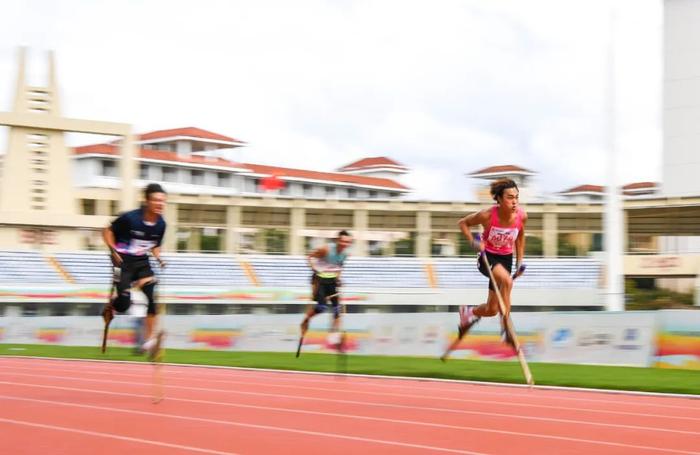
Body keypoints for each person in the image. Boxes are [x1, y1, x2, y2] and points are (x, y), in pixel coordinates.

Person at [442, 178, 527, 360]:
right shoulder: (487, 215)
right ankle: (506, 330)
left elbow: (520, 239)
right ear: (499, 199)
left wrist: (520, 262)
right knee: (507, 281)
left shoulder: (521, 216)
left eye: (517, 198)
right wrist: (473, 241)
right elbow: (463, 223)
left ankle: (469, 312)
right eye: (510, 198)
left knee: (491, 309)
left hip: (506, 259)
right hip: (487, 257)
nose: (514, 202)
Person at [102, 183, 167, 359]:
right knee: (124, 303)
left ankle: (149, 341)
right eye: (156, 200)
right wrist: (112, 250)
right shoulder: (130, 219)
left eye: (163, 201)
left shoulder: (161, 224)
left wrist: (159, 257)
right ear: (147, 201)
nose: (160, 204)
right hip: (121, 262)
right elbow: (107, 230)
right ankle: (113, 306)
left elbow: (154, 246)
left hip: (142, 261)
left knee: (152, 298)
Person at [300, 230, 353, 349]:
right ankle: (306, 320)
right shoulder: (326, 249)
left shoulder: (345, 254)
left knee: (337, 309)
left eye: (347, 242)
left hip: (332, 280)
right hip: (319, 279)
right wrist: (314, 269)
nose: (344, 244)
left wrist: (339, 279)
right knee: (322, 307)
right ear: (337, 240)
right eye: (342, 241)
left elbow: (339, 267)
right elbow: (309, 257)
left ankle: (334, 337)